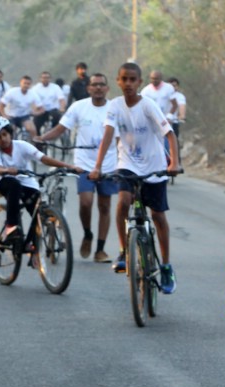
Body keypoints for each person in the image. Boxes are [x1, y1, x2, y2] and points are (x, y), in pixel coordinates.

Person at [89, 61, 180, 292]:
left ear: (139, 82)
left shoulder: (148, 105)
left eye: (132, 79)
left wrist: (174, 163)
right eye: (123, 79)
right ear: (118, 81)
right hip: (127, 164)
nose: (128, 83)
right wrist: (97, 166)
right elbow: (108, 136)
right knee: (123, 202)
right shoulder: (115, 106)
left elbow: (169, 134)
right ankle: (124, 250)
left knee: (158, 216)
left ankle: (167, 266)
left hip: (154, 166)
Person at [36, 73, 118, 263]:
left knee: (105, 206)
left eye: (101, 85)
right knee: (86, 203)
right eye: (94, 85)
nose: (98, 88)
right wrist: (42, 138)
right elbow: (60, 129)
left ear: (107, 88)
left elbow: (121, 136)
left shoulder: (115, 108)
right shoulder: (79, 107)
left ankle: (100, 249)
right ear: (88, 88)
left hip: (109, 164)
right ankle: (88, 233)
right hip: (83, 165)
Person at [0, 115, 80, 246]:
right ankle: (11, 226)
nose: (3, 139)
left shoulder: (22, 146)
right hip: (4, 181)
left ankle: (32, 247)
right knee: (14, 185)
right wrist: (6, 170)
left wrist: (69, 167)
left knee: (38, 212)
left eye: (4, 134)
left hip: (26, 181)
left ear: (10, 133)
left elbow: (43, 158)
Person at [0, 75, 37, 139]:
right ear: (20, 83)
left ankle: (34, 146)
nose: (26, 85)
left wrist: (35, 112)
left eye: (28, 84)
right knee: (11, 130)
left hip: (24, 116)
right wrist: (4, 115)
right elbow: (1, 104)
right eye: (24, 83)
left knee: (32, 129)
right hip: (11, 116)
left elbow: (40, 107)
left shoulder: (33, 93)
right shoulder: (12, 92)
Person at [30, 71, 64, 135]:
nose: (45, 79)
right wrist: (34, 110)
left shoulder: (55, 87)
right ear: (40, 79)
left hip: (53, 109)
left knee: (58, 117)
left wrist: (62, 108)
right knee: (35, 124)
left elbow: (61, 99)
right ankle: (38, 141)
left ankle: (53, 133)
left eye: (47, 78)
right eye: (43, 78)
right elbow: (32, 101)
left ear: (50, 79)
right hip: (41, 110)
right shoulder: (35, 88)